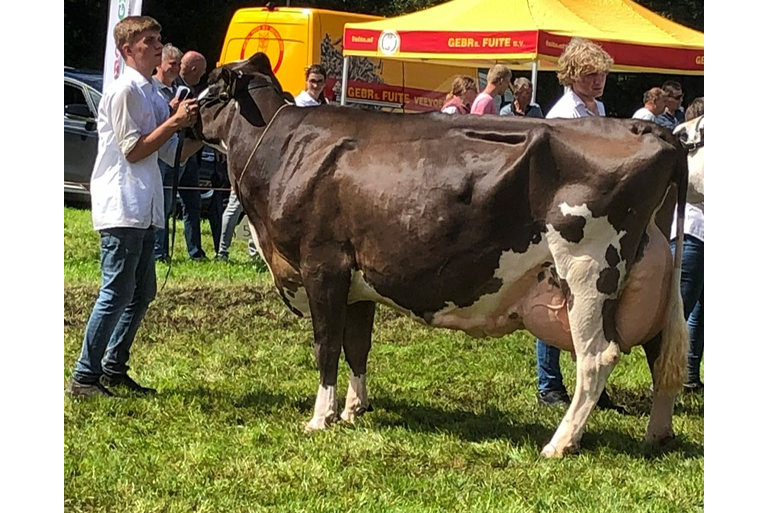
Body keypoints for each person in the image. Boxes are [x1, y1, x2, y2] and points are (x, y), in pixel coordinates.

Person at [66, 15, 200, 398]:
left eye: (159, 39)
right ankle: (84, 376)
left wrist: (203, 134)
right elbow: (133, 149)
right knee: (116, 292)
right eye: (149, 40)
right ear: (128, 50)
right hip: (122, 201)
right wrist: (173, 122)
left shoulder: (152, 94)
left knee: (141, 292)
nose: (159, 46)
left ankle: (112, 366)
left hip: (144, 205)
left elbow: (172, 156)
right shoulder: (124, 91)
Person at [540, 37, 624, 412]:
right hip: (565, 218)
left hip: (593, 218)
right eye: (590, 74)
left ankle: (591, 384)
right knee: (558, 299)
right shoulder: (562, 114)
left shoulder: (598, 108)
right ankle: (549, 384)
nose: (598, 80)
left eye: (602, 73)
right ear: (572, 75)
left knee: (590, 303)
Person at [674, 96, 705, 392]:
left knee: (699, 310)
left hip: (696, 232)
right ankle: (666, 376)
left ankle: (689, 375)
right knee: (681, 311)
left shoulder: (681, 143)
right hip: (692, 232)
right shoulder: (691, 148)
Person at [176, 50, 213, 260]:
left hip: (193, 154)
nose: (204, 74)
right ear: (193, 69)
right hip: (174, 151)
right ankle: (160, 252)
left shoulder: (200, 89)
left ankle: (195, 251)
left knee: (193, 204)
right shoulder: (176, 88)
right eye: (202, 70)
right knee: (167, 204)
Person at [152, 43, 183, 262]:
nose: (177, 68)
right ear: (160, 64)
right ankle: (157, 251)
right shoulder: (151, 89)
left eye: (179, 64)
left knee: (169, 202)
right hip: (156, 152)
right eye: (173, 64)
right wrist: (170, 112)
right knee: (159, 202)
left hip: (175, 150)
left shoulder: (179, 89)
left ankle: (162, 250)